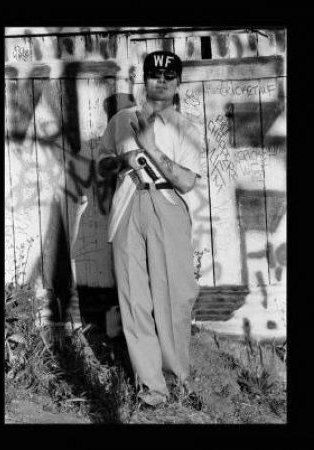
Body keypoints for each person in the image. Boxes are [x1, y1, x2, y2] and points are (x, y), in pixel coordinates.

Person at [98, 51, 203, 407]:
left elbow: (187, 182)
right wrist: (122, 161)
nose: (161, 80)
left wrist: (151, 149)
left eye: (169, 75)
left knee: (175, 296)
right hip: (128, 205)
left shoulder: (186, 127)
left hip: (168, 206)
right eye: (154, 74)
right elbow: (102, 166)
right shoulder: (121, 120)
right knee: (134, 300)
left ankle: (179, 377)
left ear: (178, 81)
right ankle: (152, 388)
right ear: (144, 79)